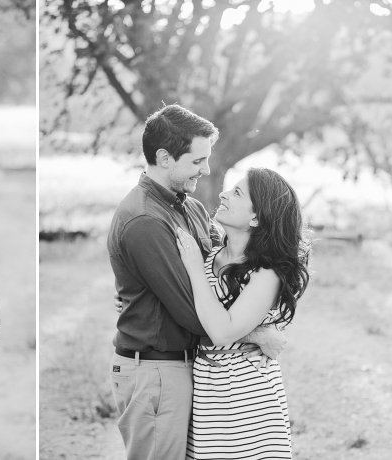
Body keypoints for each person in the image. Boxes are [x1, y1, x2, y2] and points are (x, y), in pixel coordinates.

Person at [107, 104, 286, 460]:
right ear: (164, 157)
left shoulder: (189, 209)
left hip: (190, 369)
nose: (205, 170)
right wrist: (253, 333)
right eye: (196, 161)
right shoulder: (145, 219)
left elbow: (216, 275)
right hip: (155, 369)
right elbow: (191, 310)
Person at [176, 168, 310, 460]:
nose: (223, 194)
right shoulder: (211, 255)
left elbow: (223, 331)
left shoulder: (266, 272)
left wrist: (193, 267)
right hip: (204, 390)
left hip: (243, 396)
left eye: (237, 193)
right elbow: (192, 310)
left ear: (256, 217)